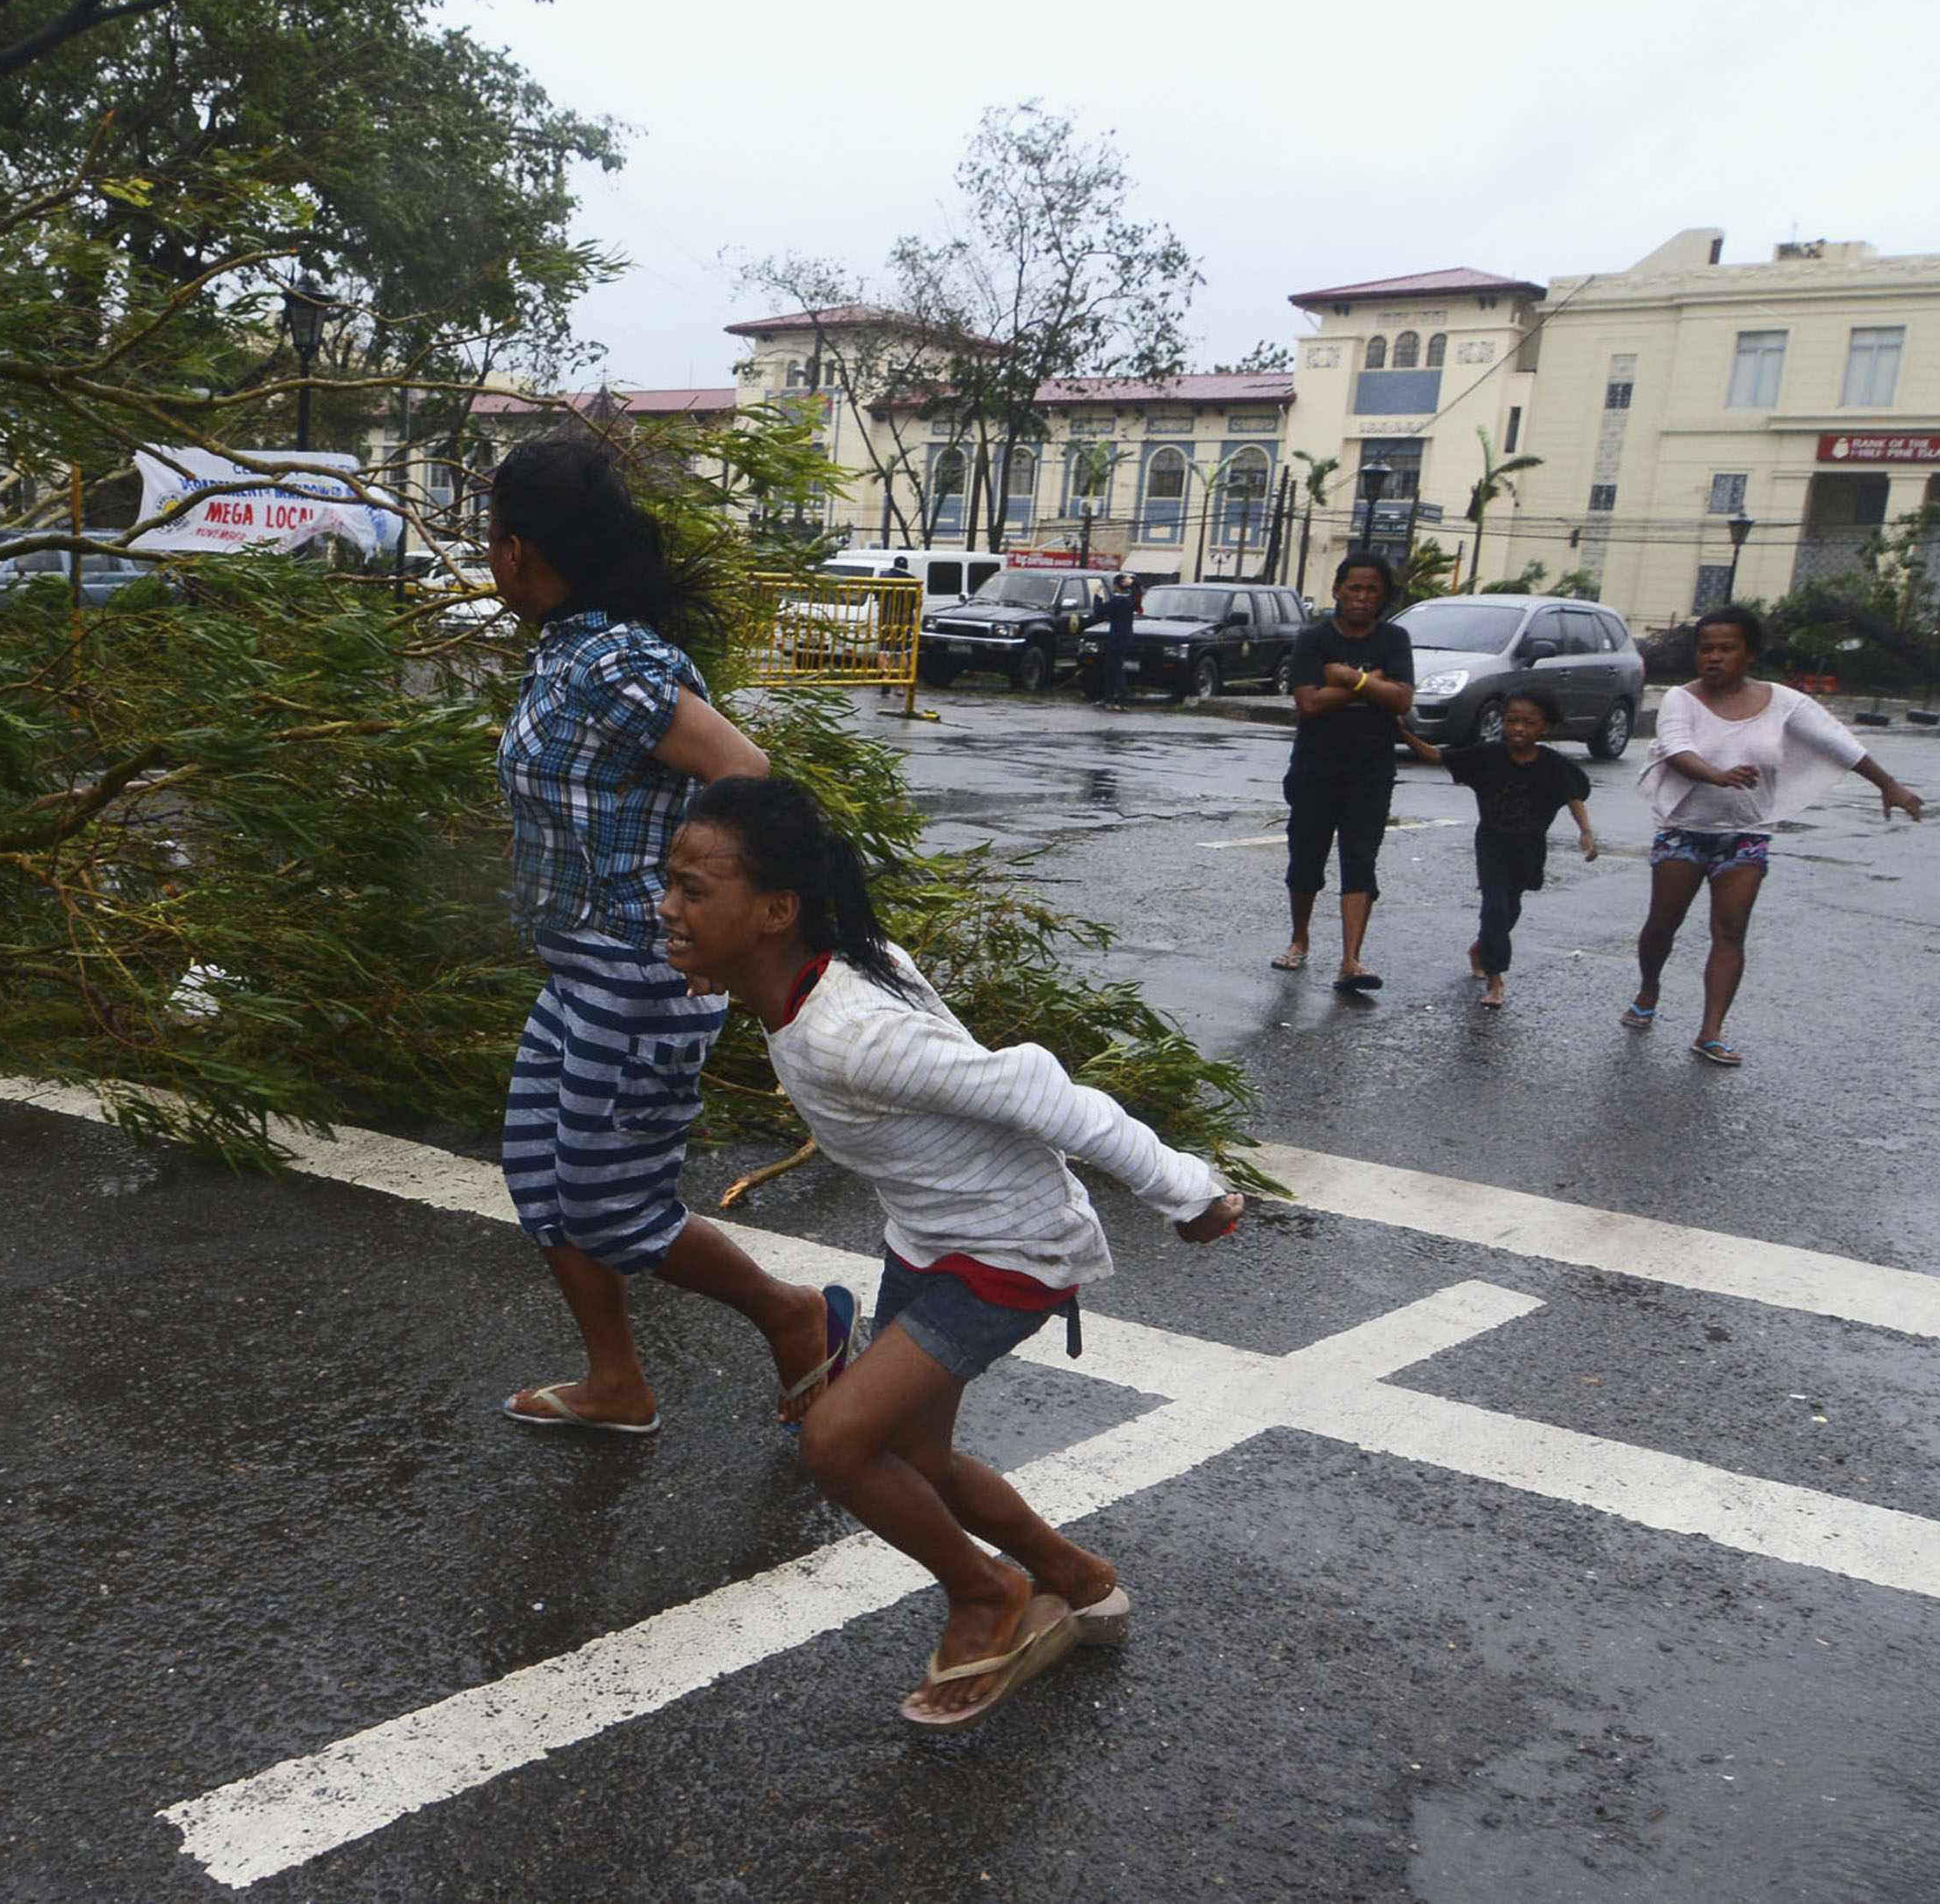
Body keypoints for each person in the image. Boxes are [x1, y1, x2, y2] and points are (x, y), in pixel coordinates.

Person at [657, 775, 1245, 1729]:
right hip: (932, 1237)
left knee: (838, 1441)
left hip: (1008, 1249)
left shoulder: (851, 1033)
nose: (667, 905)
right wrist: (713, 967)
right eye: (670, 884)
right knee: (910, 1456)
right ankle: (1075, 1576)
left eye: (691, 889)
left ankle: (984, 1592)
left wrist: (1187, 1190)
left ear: (773, 913)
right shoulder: (820, 974)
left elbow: (1037, 1090)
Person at [487, 437, 864, 1437]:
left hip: (637, 973)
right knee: (540, 1175)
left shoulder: (612, 659)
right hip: (578, 969)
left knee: (614, 1207)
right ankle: (615, 1381)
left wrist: (717, 932)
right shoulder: (572, 648)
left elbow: (745, 772)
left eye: (492, 538)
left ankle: (795, 1317)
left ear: (518, 548)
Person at [1624, 604, 1924, 1064]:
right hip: (1684, 832)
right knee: (1663, 925)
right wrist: (1716, 775)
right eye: (1706, 649)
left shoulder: (1785, 702)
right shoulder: (1679, 700)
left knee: (1730, 933)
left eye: (1727, 648)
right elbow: (1677, 750)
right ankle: (1648, 989)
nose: (1714, 658)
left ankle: (1710, 1031)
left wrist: (1890, 785)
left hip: (1746, 835)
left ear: (1750, 654)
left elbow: (1837, 742)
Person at [1273, 552, 1417, 992]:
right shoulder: (1313, 640)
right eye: (1354, 587)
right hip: (1316, 766)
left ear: (1382, 597)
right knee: (1306, 857)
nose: (1362, 597)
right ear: (1337, 590)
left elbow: (1401, 700)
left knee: (1360, 859)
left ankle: (1351, 960)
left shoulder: (1395, 639)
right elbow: (1309, 703)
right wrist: (1371, 683)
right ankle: (1300, 939)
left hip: (1371, 770)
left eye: (1372, 589)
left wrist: (1347, 680)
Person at [1400, 690, 1598, 1009]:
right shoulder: (1487, 756)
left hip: (1529, 848)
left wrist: (1586, 832)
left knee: (1510, 909)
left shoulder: (1553, 765)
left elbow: (1574, 797)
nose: (1519, 728)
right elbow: (1438, 757)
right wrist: (1404, 734)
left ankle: (1482, 947)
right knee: (1494, 906)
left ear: (1542, 727)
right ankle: (1495, 979)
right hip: (1491, 844)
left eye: (1528, 723)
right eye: (1512, 721)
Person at [1094, 574, 1138, 709]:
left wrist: (1097, 596)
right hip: (1127, 637)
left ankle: (1113, 700)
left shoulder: (1117, 601)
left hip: (1116, 638)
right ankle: (1119, 700)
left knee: (1113, 669)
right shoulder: (1130, 601)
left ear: (1116, 586)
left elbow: (1099, 611)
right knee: (1118, 668)